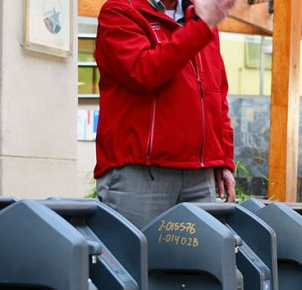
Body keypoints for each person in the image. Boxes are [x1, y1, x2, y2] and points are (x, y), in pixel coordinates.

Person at [94, 0, 237, 228]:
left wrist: (223, 159)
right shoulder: (120, 12)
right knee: (132, 262)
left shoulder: (200, 19)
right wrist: (201, 25)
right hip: (139, 175)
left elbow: (217, 95)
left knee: (201, 263)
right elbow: (145, 72)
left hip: (200, 178)